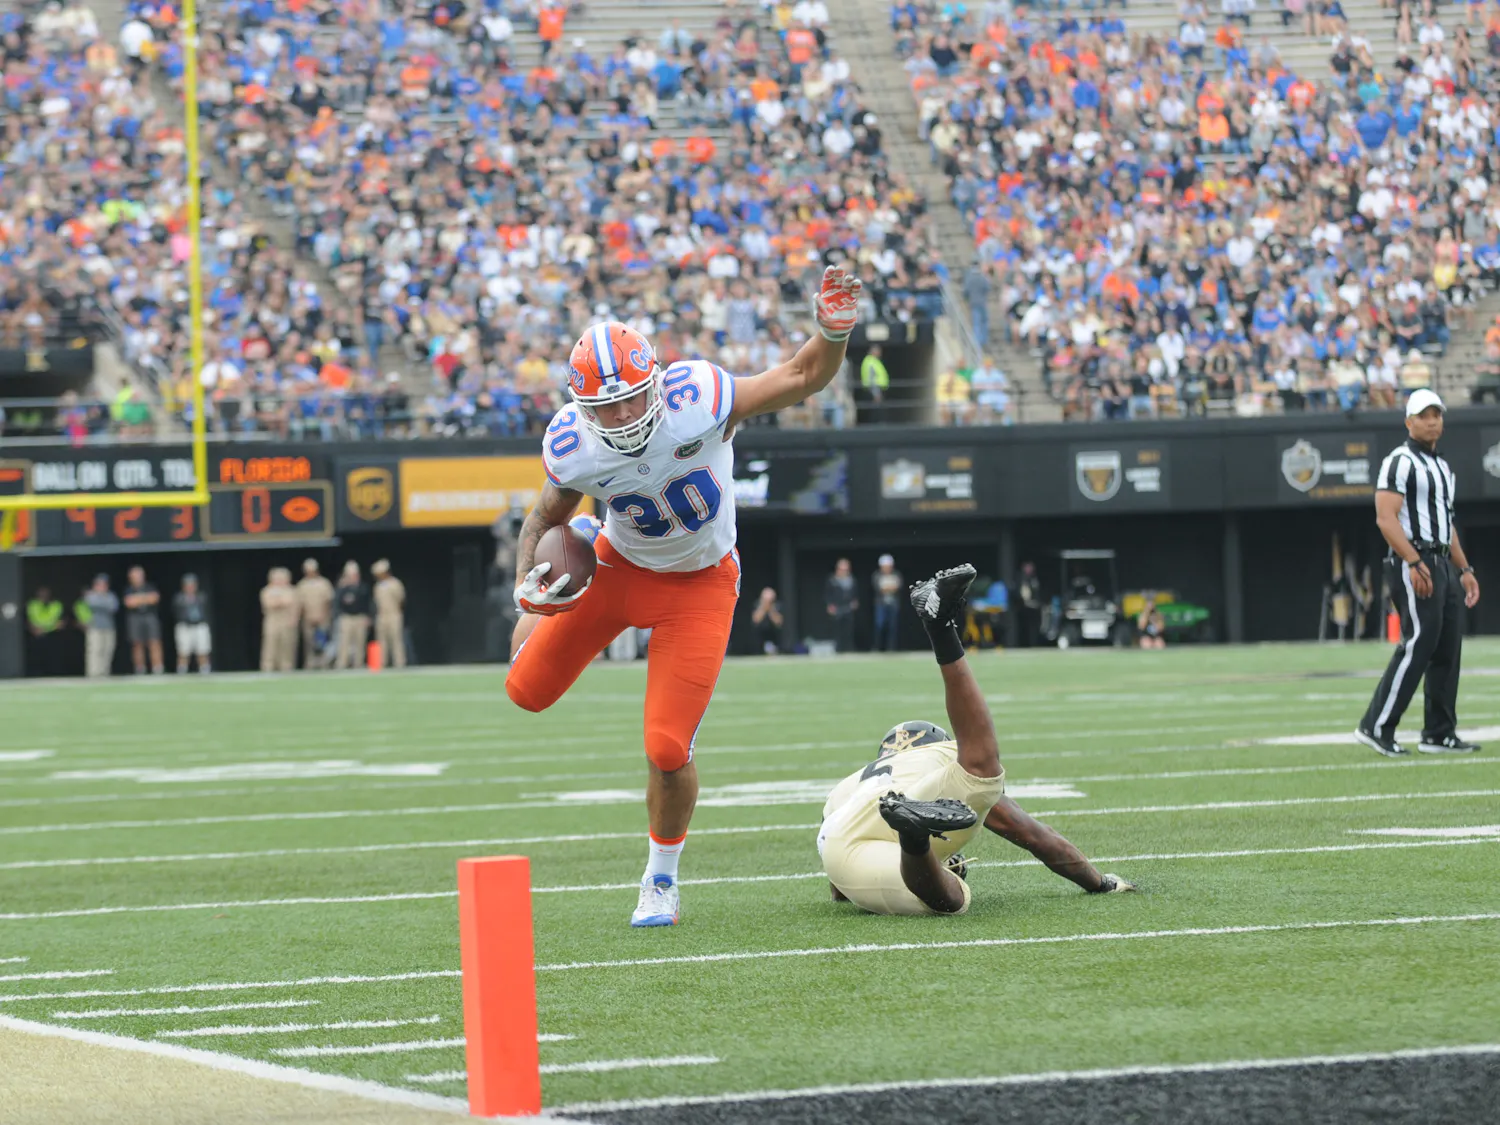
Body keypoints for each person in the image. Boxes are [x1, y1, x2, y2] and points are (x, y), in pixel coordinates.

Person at [505, 266, 863, 928]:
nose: (621, 416)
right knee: (524, 689)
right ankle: (588, 541)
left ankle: (660, 879)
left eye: (633, 399)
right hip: (616, 566)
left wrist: (832, 330)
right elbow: (539, 518)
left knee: (667, 746)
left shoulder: (698, 396)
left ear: (656, 384)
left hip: (699, 584)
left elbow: (801, 376)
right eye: (606, 407)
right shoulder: (575, 445)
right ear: (582, 408)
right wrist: (529, 586)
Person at [819, 565, 1135, 915]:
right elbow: (1034, 836)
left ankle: (915, 840)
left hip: (840, 848)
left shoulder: (849, 786)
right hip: (902, 805)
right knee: (955, 884)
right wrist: (1099, 881)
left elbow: (838, 892)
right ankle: (941, 629)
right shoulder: (937, 755)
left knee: (938, 891)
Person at [1357, 390, 1482, 756]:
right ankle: (1376, 725)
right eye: (1424, 415)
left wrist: (1465, 568)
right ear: (1408, 422)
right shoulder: (1399, 461)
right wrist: (1413, 561)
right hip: (1416, 558)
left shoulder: (1442, 467)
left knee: (1447, 648)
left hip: (1441, 559)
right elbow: (1385, 518)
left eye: (1437, 414)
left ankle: (1439, 732)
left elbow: (1447, 525)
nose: (1432, 421)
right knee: (1419, 642)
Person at [123, 566, 163, 674]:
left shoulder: (150, 586)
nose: (137, 578)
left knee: (154, 641)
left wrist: (137, 599)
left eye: (139, 575)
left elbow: (154, 599)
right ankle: (140, 668)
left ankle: (157, 667)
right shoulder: (128, 589)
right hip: (135, 618)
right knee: (137, 643)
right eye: (134, 576)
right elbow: (129, 603)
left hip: (150, 616)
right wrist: (145, 598)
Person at [296, 559, 335, 669]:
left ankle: (324, 664)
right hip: (308, 619)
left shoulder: (324, 583)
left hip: (323, 618)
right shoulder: (302, 585)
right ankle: (310, 664)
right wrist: (304, 617)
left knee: (323, 642)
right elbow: (300, 604)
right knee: (309, 643)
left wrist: (324, 615)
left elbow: (328, 601)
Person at [259, 568, 299, 672]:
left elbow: (295, 605)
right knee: (270, 645)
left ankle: (287, 667)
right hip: (272, 620)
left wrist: (293, 618)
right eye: (277, 578)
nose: (279, 581)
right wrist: (282, 601)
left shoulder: (292, 590)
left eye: (282, 578)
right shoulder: (267, 590)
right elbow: (269, 604)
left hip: (287, 620)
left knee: (287, 645)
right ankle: (268, 667)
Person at [79, 575, 118, 678]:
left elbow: (113, 607)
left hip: (109, 627)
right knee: (95, 650)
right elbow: (91, 603)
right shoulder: (90, 596)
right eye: (99, 585)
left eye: (104, 585)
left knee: (108, 650)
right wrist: (104, 603)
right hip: (95, 627)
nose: (102, 587)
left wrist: (100, 603)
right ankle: (93, 673)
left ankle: (105, 672)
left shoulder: (111, 596)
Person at [172, 574, 212, 674]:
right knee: (183, 651)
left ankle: (204, 669)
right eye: (188, 585)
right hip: (185, 626)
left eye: (192, 585)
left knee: (202, 649)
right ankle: (182, 670)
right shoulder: (179, 598)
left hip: (199, 625)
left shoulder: (201, 597)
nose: (190, 587)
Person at [334, 561, 371, 669]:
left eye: (354, 575)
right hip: (346, 618)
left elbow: (368, 603)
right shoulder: (342, 588)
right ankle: (342, 664)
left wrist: (368, 616)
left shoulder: (363, 588)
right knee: (344, 642)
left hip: (360, 617)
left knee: (359, 642)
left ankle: (358, 664)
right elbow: (336, 603)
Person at [372, 559, 407, 669]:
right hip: (382, 615)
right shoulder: (378, 586)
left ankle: (399, 662)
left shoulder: (395, 583)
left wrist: (397, 612)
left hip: (394, 614)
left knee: (396, 639)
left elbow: (401, 600)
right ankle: (382, 663)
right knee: (381, 640)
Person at [25, 586, 65, 677]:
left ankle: (53, 674)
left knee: (53, 657)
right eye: (41, 593)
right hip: (36, 635)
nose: (43, 595)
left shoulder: (56, 605)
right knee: (36, 658)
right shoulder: (32, 604)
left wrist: (48, 628)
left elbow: (61, 623)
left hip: (53, 636)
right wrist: (34, 629)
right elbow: (28, 619)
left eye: (46, 593)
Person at [871, 554, 903, 652]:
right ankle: (877, 647)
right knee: (879, 625)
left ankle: (891, 648)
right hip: (880, 604)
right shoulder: (877, 575)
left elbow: (898, 586)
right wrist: (889, 587)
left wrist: (887, 587)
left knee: (892, 626)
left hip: (893, 604)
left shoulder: (896, 574)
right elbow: (879, 588)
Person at [825, 557, 859, 652]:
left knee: (849, 629)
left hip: (848, 608)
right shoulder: (832, 580)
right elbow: (828, 594)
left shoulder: (852, 580)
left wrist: (855, 602)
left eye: (846, 569)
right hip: (837, 608)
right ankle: (838, 649)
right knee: (837, 630)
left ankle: (849, 648)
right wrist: (830, 605)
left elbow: (855, 593)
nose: (844, 571)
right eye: (842, 569)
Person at [1016, 561, 1042, 647]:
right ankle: (1024, 644)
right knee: (1025, 627)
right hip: (1024, 608)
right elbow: (1022, 594)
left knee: (1034, 627)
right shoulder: (1021, 579)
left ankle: (1034, 644)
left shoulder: (1034, 578)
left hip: (1034, 607)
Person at [751, 587, 784, 654]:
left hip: (774, 636)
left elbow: (778, 622)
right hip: (760, 637)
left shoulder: (778, 606)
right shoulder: (757, 605)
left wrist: (771, 609)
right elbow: (756, 620)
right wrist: (764, 607)